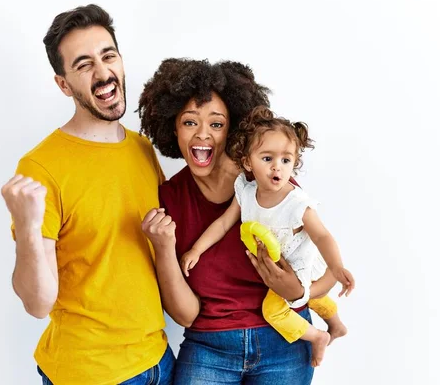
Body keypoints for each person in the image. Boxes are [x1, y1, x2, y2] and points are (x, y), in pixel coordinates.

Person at [0, 5, 174, 385]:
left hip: (159, 358)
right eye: (83, 65)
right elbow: (37, 303)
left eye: (108, 56)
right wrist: (28, 227)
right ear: (64, 84)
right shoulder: (40, 168)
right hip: (91, 373)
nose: (103, 72)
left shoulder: (142, 148)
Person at [138, 58, 336, 384]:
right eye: (190, 122)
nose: (203, 134)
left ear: (233, 130)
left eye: (216, 124)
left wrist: (295, 291)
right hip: (209, 345)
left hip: (284, 337)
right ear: (173, 127)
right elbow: (186, 314)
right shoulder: (168, 199)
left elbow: (312, 266)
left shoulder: (270, 185)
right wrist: (164, 247)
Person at [180, 105, 354, 367]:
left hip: (297, 266)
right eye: (267, 159)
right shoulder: (247, 192)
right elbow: (224, 222)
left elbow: (322, 236)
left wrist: (337, 266)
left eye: (286, 160)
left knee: (273, 310)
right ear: (248, 162)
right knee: (313, 297)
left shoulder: (296, 203)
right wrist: (196, 250)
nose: (277, 168)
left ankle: (317, 337)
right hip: (276, 265)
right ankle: (336, 324)